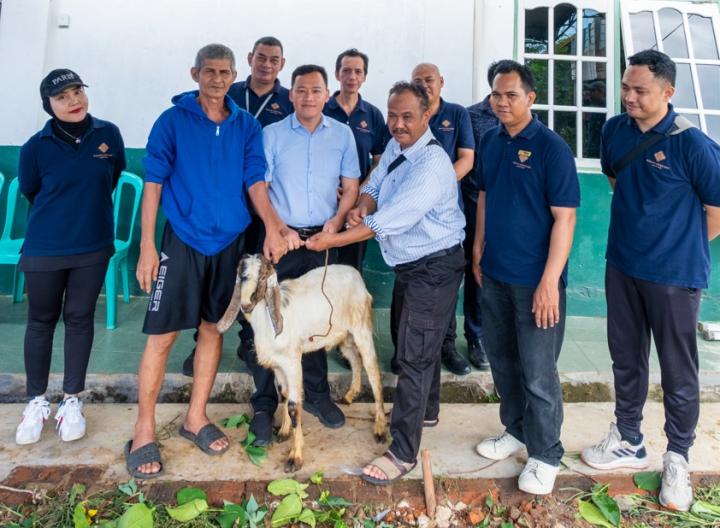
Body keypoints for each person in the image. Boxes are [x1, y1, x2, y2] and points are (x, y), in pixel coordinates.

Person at [124, 44, 288, 479]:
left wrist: (271, 225)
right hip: (181, 241)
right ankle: (143, 428)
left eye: (224, 72)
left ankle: (195, 417)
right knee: (162, 335)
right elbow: (153, 183)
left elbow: (255, 180)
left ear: (235, 75)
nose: (217, 79)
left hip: (228, 243)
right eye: (209, 71)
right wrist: (146, 246)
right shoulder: (172, 121)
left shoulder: (246, 125)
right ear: (195, 72)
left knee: (212, 329)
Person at [580, 50, 720, 512]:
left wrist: (680, 246)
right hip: (622, 265)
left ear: (668, 92)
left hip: (675, 278)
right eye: (626, 87)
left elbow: (715, 211)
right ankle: (628, 437)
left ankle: (678, 456)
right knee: (626, 358)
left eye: (640, 90)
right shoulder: (615, 132)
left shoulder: (693, 144)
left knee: (679, 371)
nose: (629, 97)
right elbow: (619, 182)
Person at [306, 81, 465, 485]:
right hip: (411, 265)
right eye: (392, 116)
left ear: (427, 116)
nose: (397, 124)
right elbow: (375, 186)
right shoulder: (398, 147)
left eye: (407, 116)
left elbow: (387, 222)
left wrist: (335, 237)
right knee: (413, 343)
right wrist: (360, 205)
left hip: (435, 266)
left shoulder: (431, 165)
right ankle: (425, 412)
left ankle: (403, 451)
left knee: (413, 354)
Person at [472, 60, 579, 495]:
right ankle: (515, 430)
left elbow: (565, 218)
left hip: (536, 283)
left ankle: (546, 453)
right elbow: (484, 195)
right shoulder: (492, 140)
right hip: (494, 274)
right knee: (502, 361)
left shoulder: (552, 147)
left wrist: (550, 281)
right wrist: (477, 248)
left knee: (538, 371)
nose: (501, 102)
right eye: (496, 94)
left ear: (530, 98)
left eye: (511, 95)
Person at [245, 64, 361, 447]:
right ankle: (263, 406)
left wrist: (337, 222)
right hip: (281, 242)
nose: (308, 97)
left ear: (326, 94)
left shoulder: (342, 135)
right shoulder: (273, 134)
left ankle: (317, 397)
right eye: (301, 90)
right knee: (269, 323)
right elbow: (260, 185)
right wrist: (277, 229)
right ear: (290, 95)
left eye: (315, 90)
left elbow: (351, 185)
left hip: (321, 243)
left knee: (315, 322)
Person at [15, 69, 126, 445]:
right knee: (41, 321)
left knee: (79, 318)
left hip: (92, 247)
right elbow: (31, 190)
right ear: (48, 105)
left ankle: (71, 400)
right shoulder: (35, 146)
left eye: (77, 91)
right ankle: (36, 401)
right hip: (45, 248)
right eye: (62, 97)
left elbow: (111, 178)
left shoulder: (108, 135)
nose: (73, 101)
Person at [182, 36, 292, 376]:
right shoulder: (229, 92)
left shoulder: (289, 101)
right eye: (261, 57)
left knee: (253, 274)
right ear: (249, 59)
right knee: (212, 276)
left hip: (263, 204)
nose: (267, 64)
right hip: (222, 206)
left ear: (281, 64)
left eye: (274, 59)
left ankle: (248, 340)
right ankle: (199, 343)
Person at [409, 62, 475, 376]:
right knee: (411, 286)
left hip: (446, 218)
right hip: (412, 219)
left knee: (446, 286)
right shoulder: (409, 114)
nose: (424, 85)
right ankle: (408, 348)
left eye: (429, 79)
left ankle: (447, 347)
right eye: (417, 80)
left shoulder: (457, 114)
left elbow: (467, 158)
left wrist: (436, 186)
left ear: (441, 82)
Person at [323, 48, 388, 272]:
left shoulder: (373, 115)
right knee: (322, 269)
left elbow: (379, 161)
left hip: (357, 206)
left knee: (350, 269)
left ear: (364, 77)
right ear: (337, 74)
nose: (352, 77)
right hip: (324, 203)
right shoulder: (321, 109)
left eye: (357, 72)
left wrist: (359, 190)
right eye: (346, 71)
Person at [463, 62, 501, 371]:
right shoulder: (471, 117)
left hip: (508, 208)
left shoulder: (531, 119)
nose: (504, 101)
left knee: (490, 273)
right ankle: (474, 337)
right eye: (499, 91)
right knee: (472, 271)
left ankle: (492, 337)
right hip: (472, 204)